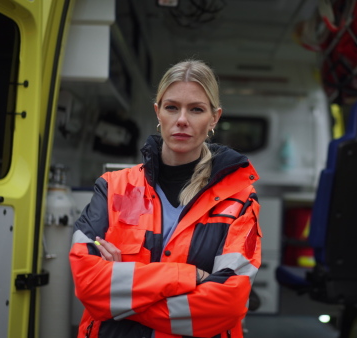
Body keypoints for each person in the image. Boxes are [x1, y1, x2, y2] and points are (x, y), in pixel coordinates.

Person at [69, 59, 262, 338]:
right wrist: (190, 276)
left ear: (214, 117)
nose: (182, 120)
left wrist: (118, 298)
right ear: (158, 112)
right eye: (172, 107)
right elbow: (88, 284)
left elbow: (226, 305)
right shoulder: (112, 187)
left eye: (196, 109)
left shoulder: (239, 200)